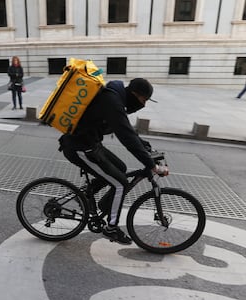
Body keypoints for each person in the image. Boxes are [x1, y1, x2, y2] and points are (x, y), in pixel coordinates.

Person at [59, 78, 169, 244]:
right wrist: (151, 165)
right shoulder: (112, 101)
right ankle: (111, 229)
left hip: (90, 144)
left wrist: (146, 148)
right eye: (143, 100)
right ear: (134, 94)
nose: (144, 105)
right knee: (120, 184)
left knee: (120, 167)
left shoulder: (117, 99)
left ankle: (89, 196)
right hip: (79, 148)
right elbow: (126, 136)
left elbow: (128, 130)